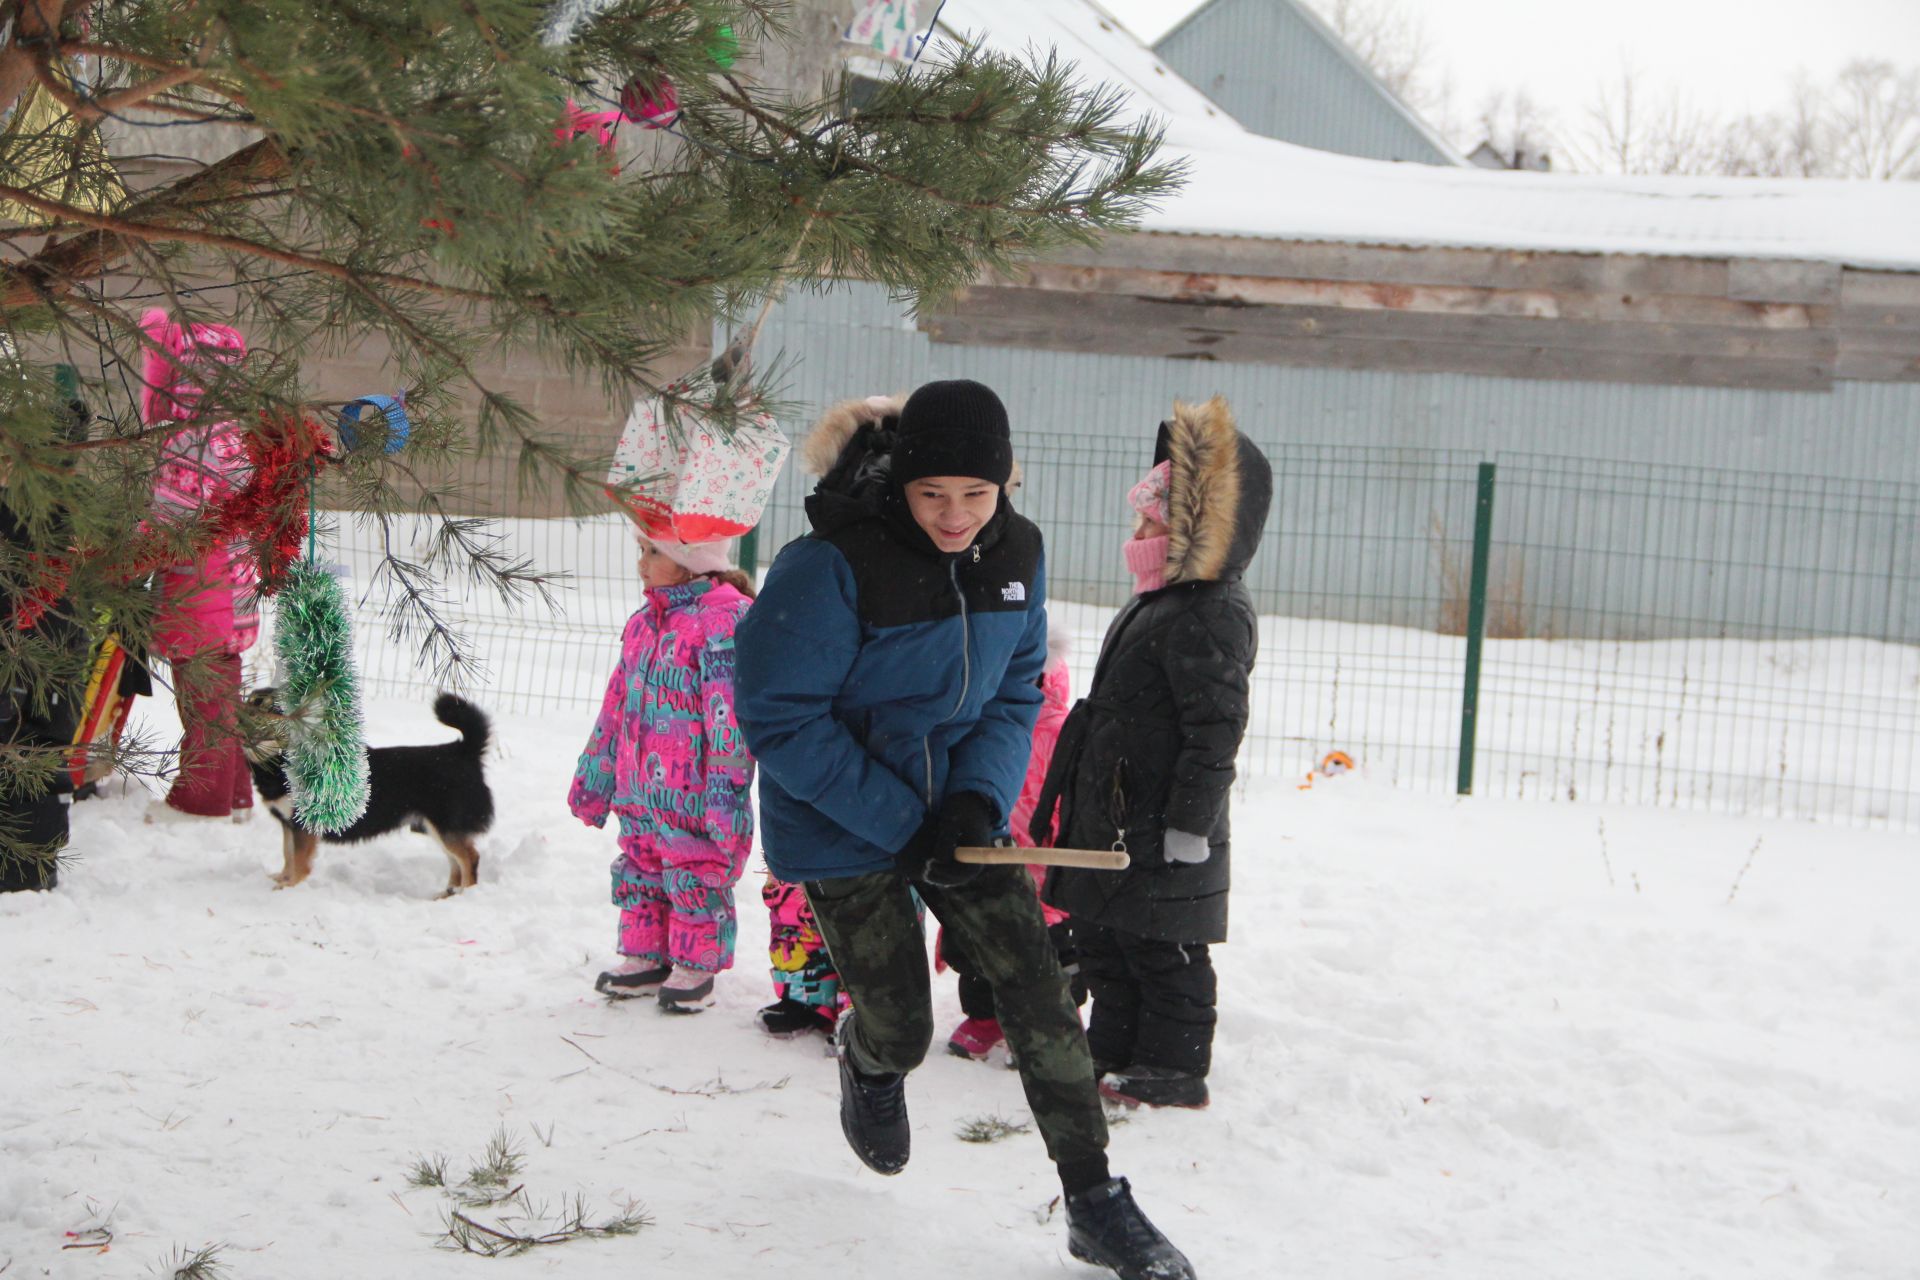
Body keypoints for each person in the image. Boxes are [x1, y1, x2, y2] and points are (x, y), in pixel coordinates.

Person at [735, 380, 1196, 1280]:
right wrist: (903, 825)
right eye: (933, 494)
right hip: (844, 816)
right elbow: (782, 719)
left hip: (960, 819)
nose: (957, 517)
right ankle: (868, 1063)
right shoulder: (828, 566)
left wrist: (977, 801)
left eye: (978, 496)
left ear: (1006, 486)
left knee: (1039, 995)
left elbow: (1017, 689)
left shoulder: (1016, 552)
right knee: (901, 1027)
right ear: (901, 481)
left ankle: (1095, 1200)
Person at [1034, 397, 1271, 1112]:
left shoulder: (1211, 613)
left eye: (1153, 521)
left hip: (1162, 822)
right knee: (1110, 937)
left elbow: (1216, 728)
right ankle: (1115, 1047)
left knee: (1162, 945)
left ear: (1196, 535)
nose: (1137, 532)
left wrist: (1189, 823)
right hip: (1115, 812)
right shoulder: (1158, 600)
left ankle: (1173, 1065)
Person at [568, 529, 756, 1012]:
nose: (642, 564)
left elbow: (730, 719)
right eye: (642, 550)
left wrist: (725, 795)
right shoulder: (644, 624)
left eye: (654, 552)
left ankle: (697, 961)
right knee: (642, 862)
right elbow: (616, 703)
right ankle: (645, 954)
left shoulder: (723, 622)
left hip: (692, 788)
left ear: (693, 561)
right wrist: (596, 771)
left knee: (695, 868)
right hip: (638, 785)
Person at [139, 308, 258, 823]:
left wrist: (123, 558)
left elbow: (170, 528)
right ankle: (235, 795)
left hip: (201, 592)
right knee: (222, 695)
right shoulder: (235, 434)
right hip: (234, 592)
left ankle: (199, 802)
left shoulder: (189, 443)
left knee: (204, 702)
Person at [942, 626, 1080, 1061]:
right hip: (992, 854)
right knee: (979, 939)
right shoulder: (983, 727)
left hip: (1045, 864)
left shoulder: (1062, 733)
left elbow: (1072, 797)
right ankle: (985, 1015)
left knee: (1046, 949)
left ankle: (1050, 1024)